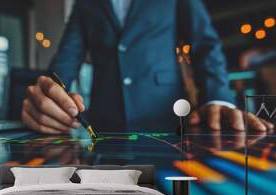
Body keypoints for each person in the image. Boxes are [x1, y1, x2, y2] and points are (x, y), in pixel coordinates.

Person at [22, 0, 274, 134]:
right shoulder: (84, 3)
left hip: (168, 117)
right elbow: (66, 57)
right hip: (104, 123)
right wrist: (48, 96)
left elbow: (205, 43)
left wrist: (218, 99)